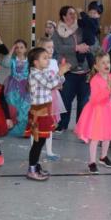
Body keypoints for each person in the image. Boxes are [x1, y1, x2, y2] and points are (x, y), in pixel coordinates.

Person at [25, 47, 70, 180]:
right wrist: (60, 73)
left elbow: (58, 82)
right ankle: (31, 169)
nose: (48, 59)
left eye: (47, 57)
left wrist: (61, 74)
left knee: (42, 140)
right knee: (38, 142)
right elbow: (51, 84)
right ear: (35, 62)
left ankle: (35, 165)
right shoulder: (35, 74)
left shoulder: (43, 71)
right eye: (44, 58)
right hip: (39, 113)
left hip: (45, 111)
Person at [74, 51, 111, 174]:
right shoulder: (95, 80)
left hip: (108, 110)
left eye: (108, 62)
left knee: (107, 135)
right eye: (103, 63)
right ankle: (91, 162)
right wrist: (108, 89)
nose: (107, 65)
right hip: (97, 110)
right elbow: (96, 99)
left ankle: (103, 156)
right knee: (95, 137)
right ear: (96, 66)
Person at [53, 5, 95, 130]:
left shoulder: (81, 27)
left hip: (85, 71)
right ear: (64, 16)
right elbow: (58, 48)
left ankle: (81, 127)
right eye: (70, 13)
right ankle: (62, 125)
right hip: (69, 71)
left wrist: (86, 47)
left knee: (83, 102)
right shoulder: (58, 32)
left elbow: (92, 41)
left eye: (74, 13)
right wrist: (76, 48)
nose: (73, 15)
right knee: (65, 100)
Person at [38, 37, 65, 160]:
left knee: (50, 124)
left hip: (53, 97)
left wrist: (61, 81)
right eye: (48, 47)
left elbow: (59, 76)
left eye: (52, 47)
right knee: (37, 125)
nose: (51, 49)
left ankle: (49, 151)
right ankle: (35, 149)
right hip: (41, 98)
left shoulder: (54, 62)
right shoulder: (38, 63)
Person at [2, 39, 31, 136]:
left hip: (25, 87)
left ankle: (23, 130)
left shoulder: (29, 61)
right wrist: (11, 51)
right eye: (17, 47)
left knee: (24, 108)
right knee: (12, 106)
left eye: (21, 47)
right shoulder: (13, 61)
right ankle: (12, 128)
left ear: (26, 49)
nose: (19, 50)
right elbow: (5, 63)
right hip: (12, 88)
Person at [77, 0, 102, 70]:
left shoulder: (95, 22)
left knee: (88, 55)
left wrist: (82, 13)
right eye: (90, 12)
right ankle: (81, 65)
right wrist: (79, 20)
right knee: (84, 54)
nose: (92, 14)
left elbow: (88, 21)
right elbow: (81, 24)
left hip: (90, 42)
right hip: (84, 41)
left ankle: (91, 67)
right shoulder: (87, 20)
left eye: (95, 13)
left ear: (99, 15)